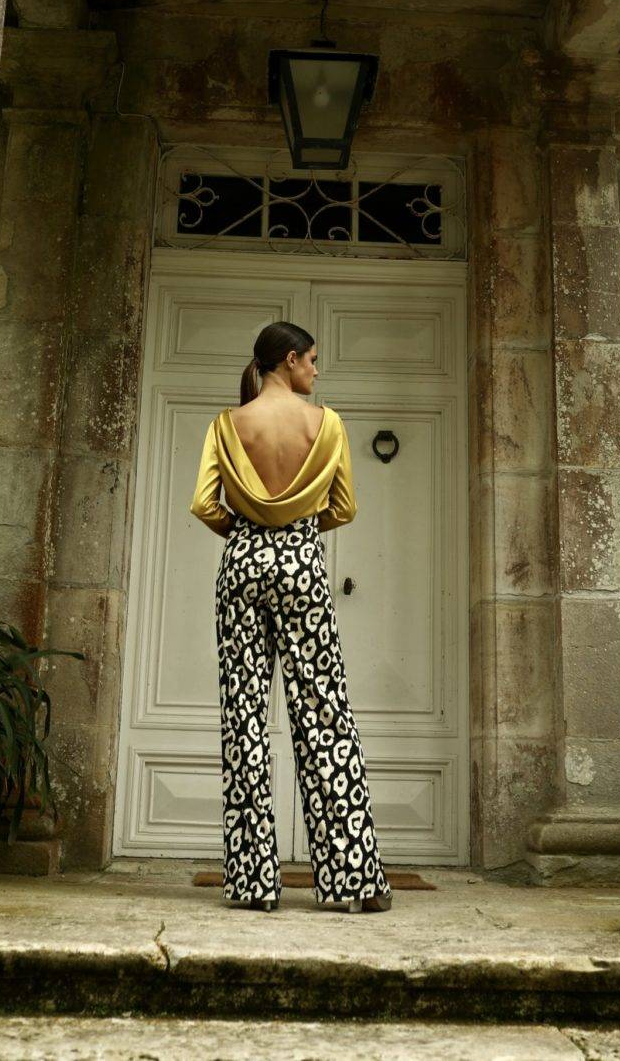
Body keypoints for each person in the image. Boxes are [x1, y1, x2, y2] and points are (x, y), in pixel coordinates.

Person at [190, 320, 393, 914]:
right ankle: (354, 882)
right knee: (324, 716)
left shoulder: (227, 425)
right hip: (302, 563)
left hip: (242, 564)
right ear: (288, 360)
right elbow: (344, 508)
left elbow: (203, 503)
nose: (316, 370)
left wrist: (248, 532)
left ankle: (254, 884)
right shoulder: (326, 425)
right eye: (311, 360)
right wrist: (298, 530)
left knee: (244, 719)